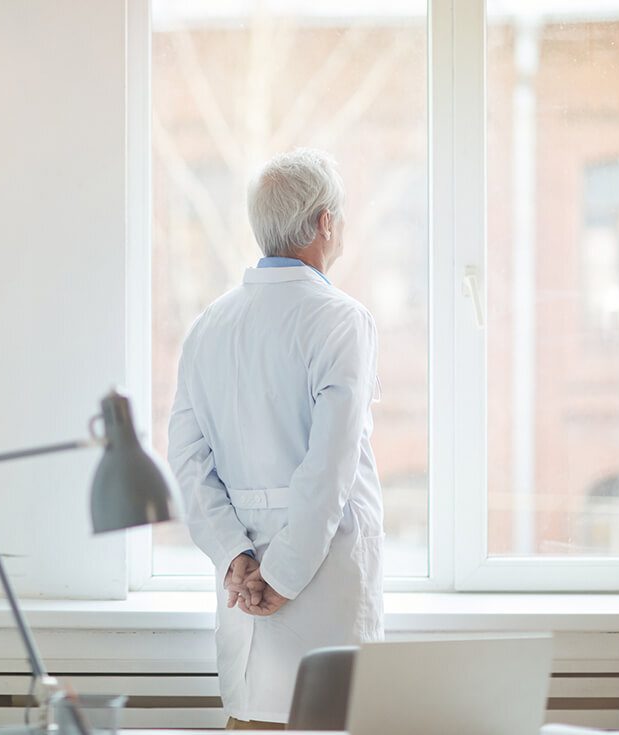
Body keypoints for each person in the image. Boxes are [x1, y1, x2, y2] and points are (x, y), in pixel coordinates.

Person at [167, 148, 384, 730]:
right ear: (325, 224)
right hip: (319, 590)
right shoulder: (341, 319)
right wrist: (281, 579)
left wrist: (234, 556)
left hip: (242, 597)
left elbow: (187, 460)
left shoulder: (209, 325)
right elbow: (328, 470)